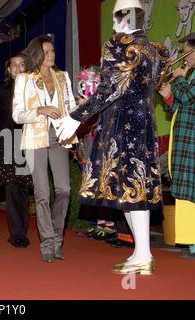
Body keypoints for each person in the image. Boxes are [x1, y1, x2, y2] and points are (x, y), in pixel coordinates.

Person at [57, 0, 163, 274]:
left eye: (117, 18)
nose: (114, 24)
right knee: (133, 189)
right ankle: (142, 252)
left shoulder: (120, 44)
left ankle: (144, 254)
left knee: (130, 189)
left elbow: (109, 89)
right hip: (145, 122)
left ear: (125, 19)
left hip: (122, 124)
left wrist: (76, 116)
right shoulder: (152, 49)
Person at [12, 35, 77, 263]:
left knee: (64, 189)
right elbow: (17, 114)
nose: (52, 55)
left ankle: (57, 237)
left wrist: (80, 107)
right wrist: (40, 110)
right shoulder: (24, 79)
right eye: (47, 52)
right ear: (37, 54)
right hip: (35, 138)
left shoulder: (62, 77)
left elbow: (70, 107)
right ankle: (47, 242)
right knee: (42, 193)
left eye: (53, 51)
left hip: (59, 136)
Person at [159, 32, 195, 259]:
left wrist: (179, 78)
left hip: (191, 142)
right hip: (184, 141)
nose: (184, 56)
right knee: (185, 192)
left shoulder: (188, 77)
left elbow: (191, 99)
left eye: (186, 51)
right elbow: (182, 106)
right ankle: (190, 241)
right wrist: (169, 97)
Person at [0, 52, 33, 248]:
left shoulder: (33, 89)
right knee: (11, 186)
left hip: (29, 141)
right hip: (7, 141)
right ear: (8, 69)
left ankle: (21, 230)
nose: (17, 68)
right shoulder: (1, 90)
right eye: (13, 65)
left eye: (21, 64)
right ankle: (16, 233)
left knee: (24, 188)